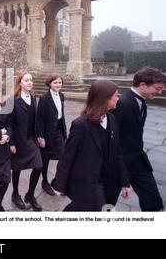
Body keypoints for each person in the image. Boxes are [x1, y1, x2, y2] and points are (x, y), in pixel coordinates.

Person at [52, 80, 131, 211]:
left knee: (82, 208)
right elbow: (67, 157)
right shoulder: (81, 125)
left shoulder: (112, 119)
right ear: (104, 99)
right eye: (116, 95)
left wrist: (124, 181)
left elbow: (117, 153)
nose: (119, 98)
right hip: (88, 181)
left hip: (109, 180)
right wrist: (59, 185)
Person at [113, 67, 166, 211]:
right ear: (142, 85)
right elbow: (112, 137)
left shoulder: (141, 101)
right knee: (105, 201)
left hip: (138, 161)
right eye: (157, 88)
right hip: (119, 164)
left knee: (153, 201)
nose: (160, 92)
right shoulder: (122, 103)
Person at [9, 73, 43, 211]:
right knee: (17, 169)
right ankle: (15, 194)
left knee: (39, 166)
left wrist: (40, 136)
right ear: (20, 83)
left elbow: (37, 120)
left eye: (31, 80)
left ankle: (30, 194)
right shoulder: (13, 100)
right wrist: (11, 143)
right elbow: (9, 123)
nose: (30, 82)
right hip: (18, 141)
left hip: (31, 140)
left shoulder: (33, 98)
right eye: (26, 80)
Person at [36, 74, 67, 196]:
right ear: (50, 84)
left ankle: (56, 181)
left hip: (59, 130)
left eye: (60, 82)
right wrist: (41, 136)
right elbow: (40, 119)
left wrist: (64, 130)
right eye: (55, 83)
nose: (58, 85)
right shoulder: (44, 98)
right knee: (46, 159)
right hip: (48, 133)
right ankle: (45, 182)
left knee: (64, 157)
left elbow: (61, 114)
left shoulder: (62, 96)